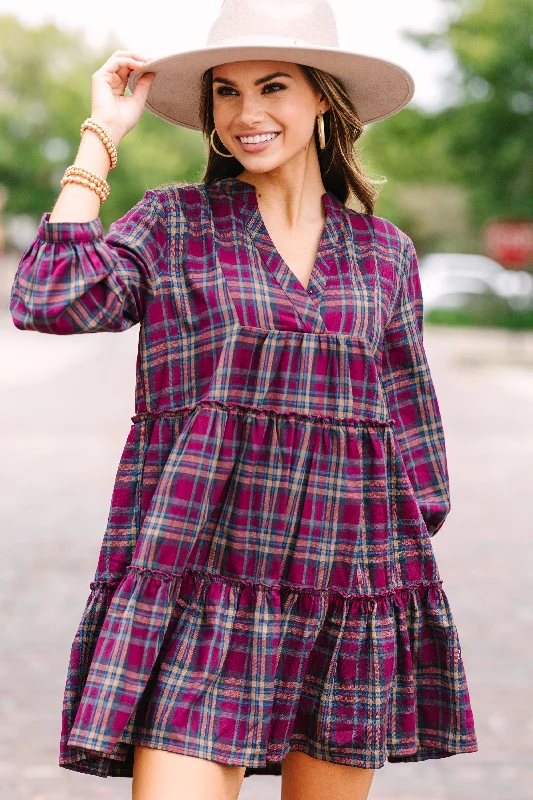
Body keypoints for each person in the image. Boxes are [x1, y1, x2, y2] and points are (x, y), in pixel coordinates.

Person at [9, 1, 478, 798]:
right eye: (225, 92)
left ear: (323, 98)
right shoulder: (175, 222)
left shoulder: (382, 253)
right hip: (199, 584)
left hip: (341, 593)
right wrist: (100, 138)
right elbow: (50, 297)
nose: (247, 113)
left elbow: (412, 430)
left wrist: (381, 574)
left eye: (272, 87)